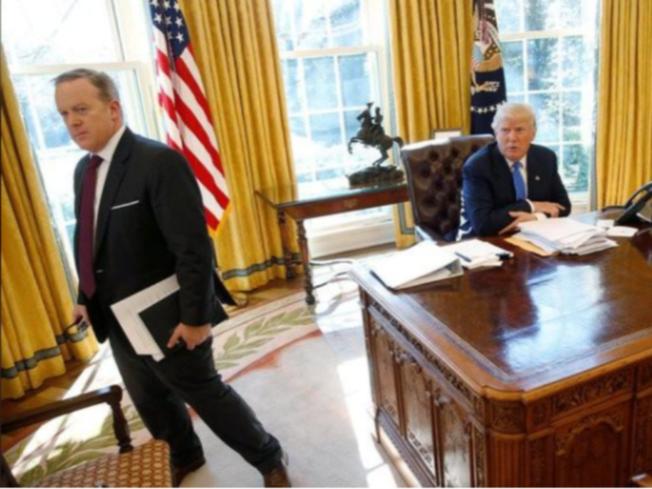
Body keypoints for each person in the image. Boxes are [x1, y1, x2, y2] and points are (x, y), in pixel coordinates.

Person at [54, 68, 290, 487]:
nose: (72, 122)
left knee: (206, 395)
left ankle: (268, 458)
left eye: (81, 109)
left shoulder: (158, 162)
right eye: (64, 114)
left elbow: (193, 248)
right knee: (150, 399)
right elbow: (90, 240)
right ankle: (185, 454)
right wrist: (84, 297)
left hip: (166, 313)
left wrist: (196, 318)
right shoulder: (83, 170)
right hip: (117, 317)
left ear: (113, 109)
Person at [459, 102, 571, 238]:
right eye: (505, 130)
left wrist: (536, 218)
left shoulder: (546, 158)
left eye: (519, 130)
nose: (512, 138)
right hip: (488, 240)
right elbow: (483, 225)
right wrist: (531, 206)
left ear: (533, 133)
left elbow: (564, 206)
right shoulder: (477, 166)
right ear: (496, 133)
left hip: (534, 236)